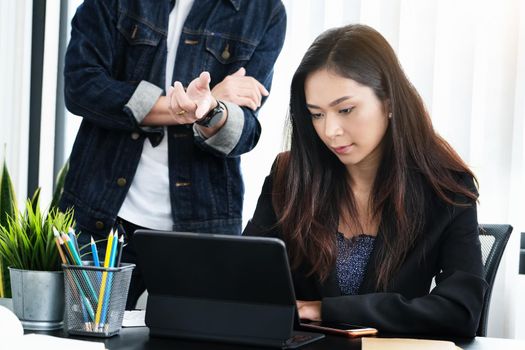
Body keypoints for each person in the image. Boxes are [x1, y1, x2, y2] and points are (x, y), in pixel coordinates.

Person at [243, 24, 486, 337]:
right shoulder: (290, 176)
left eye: (345, 109)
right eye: (316, 114)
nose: (330, 130)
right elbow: (244, 279)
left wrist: (322, 309)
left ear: (389, 102)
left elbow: (461, 311)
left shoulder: (446, 188)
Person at [60, 0, 286, 309]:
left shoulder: (263, 11)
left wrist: (211, 110)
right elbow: (81, 85)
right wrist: (179, 108)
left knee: (198, 340)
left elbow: (243, 131)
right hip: (99, 218)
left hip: (203, 229)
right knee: (84, 336)